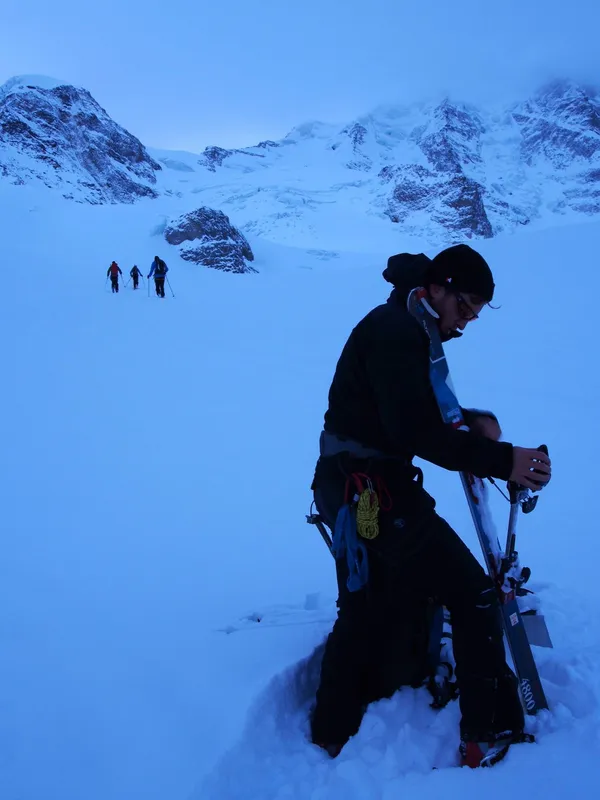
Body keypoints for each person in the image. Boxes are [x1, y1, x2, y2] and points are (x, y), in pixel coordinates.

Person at [309, 244, 551, 767]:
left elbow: (414, 408)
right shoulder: (397, 334)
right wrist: (502, 459)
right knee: (473, 595)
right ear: (437, 287)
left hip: (356, 484)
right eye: (464, 307)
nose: (465, 322)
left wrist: (472, 422)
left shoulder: (403, 325)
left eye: (474, 314)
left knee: (365, 606)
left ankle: (331, 728)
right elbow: (415, 429)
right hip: (370, 491)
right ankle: (485, 733)